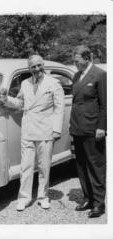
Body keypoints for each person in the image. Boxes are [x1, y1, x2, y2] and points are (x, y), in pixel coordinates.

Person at [0, 55, 65, 211]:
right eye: (33, 67)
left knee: (44, 166)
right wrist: (5, 99)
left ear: (43, 65)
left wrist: (56, 129)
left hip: (45, 130)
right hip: (28, 129)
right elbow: (20, 103)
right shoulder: (25, 83)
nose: (36, 69)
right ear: (29, 69)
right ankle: (24, 198)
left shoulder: (53, 83)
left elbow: (59, 108)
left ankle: (43, 196)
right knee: (26, 166)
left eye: (39, 65)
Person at [70, 45, 107, 218]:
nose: (75, 64)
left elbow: (105, 104)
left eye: (77, 61)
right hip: (77, 128)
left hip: (93, 129)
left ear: (87, 58)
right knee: (81, 165)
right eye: (74, 61)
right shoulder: (76, 76)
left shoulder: (100, 74)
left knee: (96, 166)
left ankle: (99, 204)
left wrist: (102, 126)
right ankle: (88, 198)